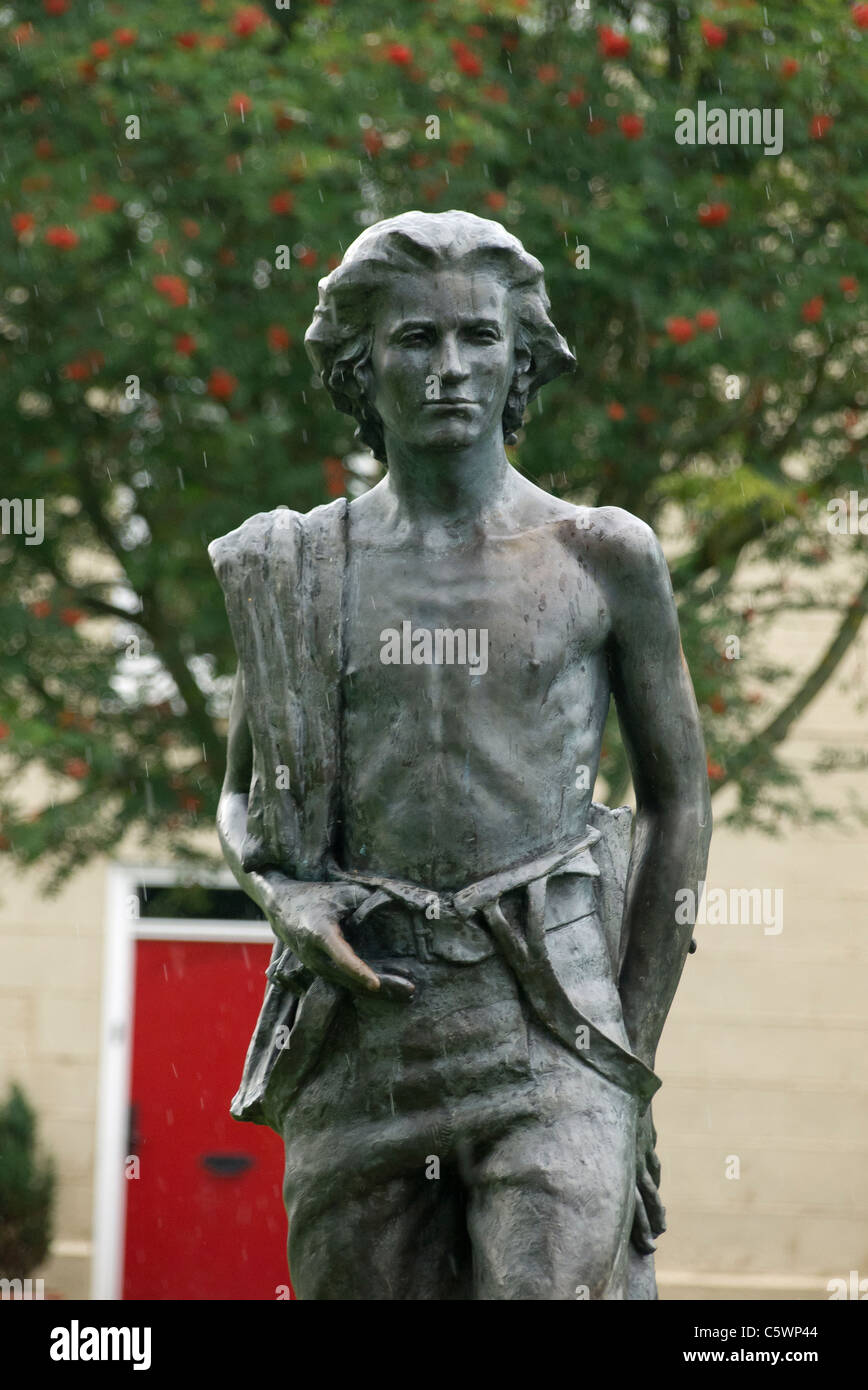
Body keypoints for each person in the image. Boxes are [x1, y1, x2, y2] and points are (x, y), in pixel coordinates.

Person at [209, 210, 711, 1300]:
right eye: (414, 340)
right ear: (360, 364)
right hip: (367, 1023)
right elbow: (241, 798)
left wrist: (628, 1049)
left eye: (478, 339)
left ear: (520, 356)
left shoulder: (602, 555)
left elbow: (678, 802)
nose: (449, 369)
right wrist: (285, 894)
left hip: (551, 1019)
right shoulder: (296, 565)